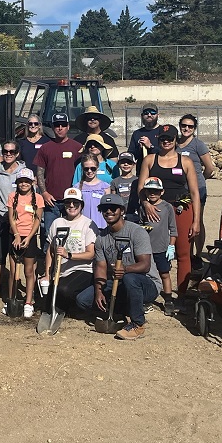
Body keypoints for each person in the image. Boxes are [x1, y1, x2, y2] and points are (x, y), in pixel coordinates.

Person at [75, 193, 161, 340]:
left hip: (146, 283)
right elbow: (101, 267)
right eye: (104, 209)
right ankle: (120, 312)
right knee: (83, 300)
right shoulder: (102, 238)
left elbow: (145, 265)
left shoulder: (136, 232)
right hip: (118, 283)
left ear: (122, 211)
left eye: (113, 208)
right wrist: (99, 291)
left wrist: (125, 269)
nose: (109, 212)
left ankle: (137, 324)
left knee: (130, 279)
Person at [138, 124, 200, 301]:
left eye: (170, 138)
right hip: (155, 208)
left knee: (182, 252)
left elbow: (195, 192)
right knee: (150, 249)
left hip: (180, 209)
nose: (166, 142)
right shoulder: (150, 159)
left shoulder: (185, 161)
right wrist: (145, 204)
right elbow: (141, 187)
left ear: (175, 140)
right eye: (163, 138)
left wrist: (196, 220)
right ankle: (152, 290)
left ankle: (181, 294)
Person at [43, 187, 98, 315]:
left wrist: (69, 255)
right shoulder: (57, 223)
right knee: (48, 301)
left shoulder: (88, 224)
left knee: (64, 289)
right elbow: (51, 251)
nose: (71, 206)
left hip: (84, 270)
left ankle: (76, 305)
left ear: (81, 205)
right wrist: (47, 274)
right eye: (68, 202)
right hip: (62, 272)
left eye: (76, 203)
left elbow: (91, 254)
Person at [33, 112, 83, 239]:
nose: (60, 128)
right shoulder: (45, 148)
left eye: (63, 125)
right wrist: (44, 192)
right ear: (52, 127)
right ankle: (47, 258)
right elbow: (40, 172)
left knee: (72, 234)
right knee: (49, 234)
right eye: (56, 125)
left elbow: (83, 172)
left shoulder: (77, 148)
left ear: (68, 127)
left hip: (71, 199)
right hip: (52, 200)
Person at [0, 140, 23, 299]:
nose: (8, 154)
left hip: (21, 220)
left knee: (17, 254)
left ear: (17, 154)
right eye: (6, 151)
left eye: (11, 152)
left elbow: (29, 195)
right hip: (3, 218)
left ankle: (14, 284)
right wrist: (7, 215)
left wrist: (17, 216)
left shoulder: (24, 173)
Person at [175, 114, 217, 255]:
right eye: (184, 125)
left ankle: (197, 254)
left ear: (194, 128)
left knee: (197, 220)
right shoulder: (175, 144)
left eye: (190, 126)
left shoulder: (198, 145)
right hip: (180, 189)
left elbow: (210, 168)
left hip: (197, 188)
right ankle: (185, 252)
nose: (186, 128)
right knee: (182, 221)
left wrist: (199, 179)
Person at [136, 178, 178, 314]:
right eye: (149, 191)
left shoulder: (167, 207)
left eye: (156, 191)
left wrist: (171, 246)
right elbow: (141, 223)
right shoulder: (143, 206)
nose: (152, 194)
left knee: (164, 273)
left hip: (162, 248)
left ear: (162, 192)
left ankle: (168, 299)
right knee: (146, 274)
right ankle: (146, 299)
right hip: (146, 249)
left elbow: (173, 228)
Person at [10, 167, 43, 317]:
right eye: (21, 182)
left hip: (29, 237)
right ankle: (11, 299)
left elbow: (37, 219)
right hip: (15, 236)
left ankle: (28, 302)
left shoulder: (38, 198)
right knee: (13, 272)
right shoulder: (12, 196)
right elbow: (11, 217)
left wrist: (29, 238)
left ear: (32, 182)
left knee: (29, 272)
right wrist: (16, 234)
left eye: (27, 182)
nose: (23, 184)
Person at [76, 154, 109, 229]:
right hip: (83, 227)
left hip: (101, 226)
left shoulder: (105, 187)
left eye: (93, 168)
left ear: (97, 167)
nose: (89, 171)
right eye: (86, 169)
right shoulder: (77, 187)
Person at [128, 103, 161, 170]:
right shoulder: (137, 133)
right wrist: (139, 149)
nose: (149, 115)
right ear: (142, 115)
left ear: (158, 115)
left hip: (159, 171)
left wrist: (151, 147)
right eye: (146, 113)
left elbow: (168, 153)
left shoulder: (163, 131)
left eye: (152, 113)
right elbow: (132, 156)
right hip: (142, 172)